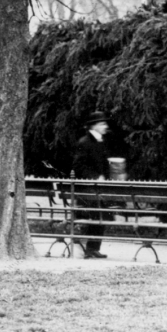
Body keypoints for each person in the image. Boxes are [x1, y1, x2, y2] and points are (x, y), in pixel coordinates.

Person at [71, 111, 113, 259]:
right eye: (102, 123)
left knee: (102, 213)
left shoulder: (100, 141)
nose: (105, 126)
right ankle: (90, 248)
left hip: (97, 190)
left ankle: (93, 248)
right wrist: (95, 177)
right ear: (94, 126)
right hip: (87, 190)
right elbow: (78, 165)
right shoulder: (85, 142)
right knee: (99, 212)